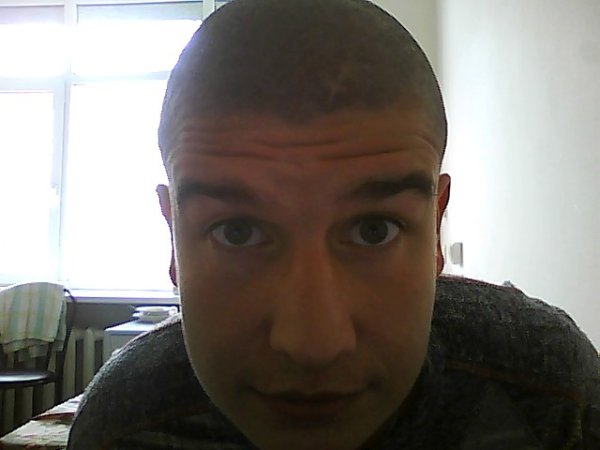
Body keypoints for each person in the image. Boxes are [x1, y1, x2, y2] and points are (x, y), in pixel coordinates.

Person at [67, 0, 599, 449]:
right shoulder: (124, 427)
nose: (313, 345)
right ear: (173, 238)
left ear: (435, 229)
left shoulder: (554, 398)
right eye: (237, 231)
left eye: (375, 230)